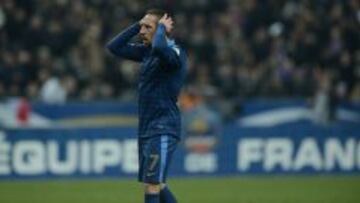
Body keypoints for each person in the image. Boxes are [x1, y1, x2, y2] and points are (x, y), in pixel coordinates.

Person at [106, 9, 187, 203]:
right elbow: (113, 47)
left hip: (163, 126)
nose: (142, 31)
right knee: (157, 184)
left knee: (152, 184)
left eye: (147, 27)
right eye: (141, 26)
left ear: (161, 30)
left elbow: (160, 47)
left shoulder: (173, 52)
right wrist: (138, 24)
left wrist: (160, 29)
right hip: (147, 127)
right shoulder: (147, 52)